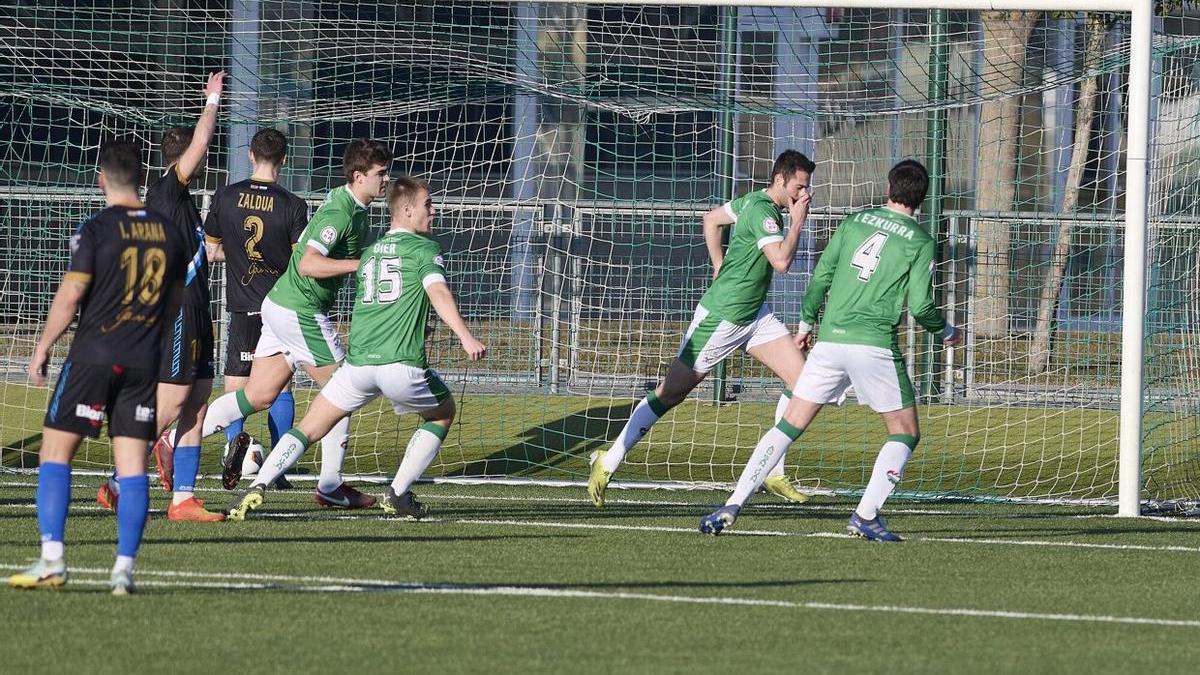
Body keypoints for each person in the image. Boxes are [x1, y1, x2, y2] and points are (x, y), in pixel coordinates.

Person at [699, 159, 962, 540]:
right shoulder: (920, 241)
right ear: (922, 198)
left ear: (889, 188)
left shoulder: (855, 221)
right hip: (873, 346)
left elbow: (822, 275)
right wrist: (946, 331)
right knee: (904, 432)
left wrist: (805, 326)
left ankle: (733, 504)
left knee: (789, 425)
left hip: (830, 342)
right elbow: (921, 307)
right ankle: (866, 516)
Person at [225, 177, 486, 520]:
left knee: (308, 428)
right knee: (442, 412)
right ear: (407, 210)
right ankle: (397, 492)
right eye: (428, 205)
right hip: (401, 365)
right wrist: (465, 335)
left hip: (358, 366)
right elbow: (437, 292)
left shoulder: (371, 253)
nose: (433, 211)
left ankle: (256, 488)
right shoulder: (425, 249)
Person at [8, 139, 189, 594]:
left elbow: (71, 296)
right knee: (131, 468)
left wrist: (42, 347)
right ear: (142, 179)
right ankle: (123, 569)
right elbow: (173, 301)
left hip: (93, 357)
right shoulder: (169, 232)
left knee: (55, 455)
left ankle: (53, 560)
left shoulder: (97, 228)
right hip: (143, 363)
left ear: (100, 178)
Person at [588, 150, 816, 507]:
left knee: (804, 383)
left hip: (754, 315)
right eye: (799, 188)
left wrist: (717, 263)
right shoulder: (762, 212)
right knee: (671, 393)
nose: (803, 195)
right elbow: (782, 262)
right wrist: (799, 220)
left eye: (806, 189)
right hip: (722, 317)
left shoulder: (751, 201)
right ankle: (609, 458)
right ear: (780, 180)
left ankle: (773, 470)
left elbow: (711, 220)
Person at [200, 138, 392, 508]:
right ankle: (331, 486)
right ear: (358, 176)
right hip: (299, 309)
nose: (385, 180)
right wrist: (361, 265)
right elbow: (307, 264)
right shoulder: (341, 212)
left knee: (257, 396)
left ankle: (174, 444)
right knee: (343, 391)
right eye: (380, 174)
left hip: (280, 304)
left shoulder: (354, 207)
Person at [95, 71, 227, 522]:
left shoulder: (180, 202)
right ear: (184, 157)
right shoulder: (170, 185)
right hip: (177, 310)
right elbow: (200, 146)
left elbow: (196, 250)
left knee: (197, 401)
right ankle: (117, 478)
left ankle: (183, 499)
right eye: (197, 154)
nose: (204, 160)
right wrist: (211, 102)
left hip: (197, 307)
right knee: (171, 403)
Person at [203, 128, 308, 488]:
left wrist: (234, 256)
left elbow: (211, 249)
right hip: (280, 307)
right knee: (281, 385)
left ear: (250, 155)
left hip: (243, 303)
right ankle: (277, 468)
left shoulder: (226, 196)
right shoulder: (293, 204)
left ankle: (234, 450)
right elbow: (300, 263)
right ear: (283, 160)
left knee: (236, 382)